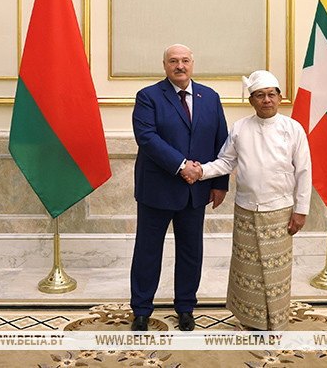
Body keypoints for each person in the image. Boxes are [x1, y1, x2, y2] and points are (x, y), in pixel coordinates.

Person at [191, 70, 311, 331]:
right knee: (248, 270)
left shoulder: (293, 129)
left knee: (276, 271)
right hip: (245, 209)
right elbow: (225, 161)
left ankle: (276, 322)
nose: (266, 100)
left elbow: (304, 172)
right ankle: (249, 320)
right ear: (251, 100)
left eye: (271, 95)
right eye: (260, 95)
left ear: (280, 98)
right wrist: (201, 171)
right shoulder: (240, 127)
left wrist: (301, 211)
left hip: (279, 210)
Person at [130, 44, 229, 331]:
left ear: (192, 64)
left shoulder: (210, 97)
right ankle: (141, 310)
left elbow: (221, 142)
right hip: (157, 190)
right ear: (164, 65)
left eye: (185, 60)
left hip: (195, 191)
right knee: (148, 252)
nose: (180, 66)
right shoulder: (148, 96)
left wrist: (219, 183)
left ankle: (186, 307)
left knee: (190, 253)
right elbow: (147, 137)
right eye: (173, 61)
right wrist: (181, 165)